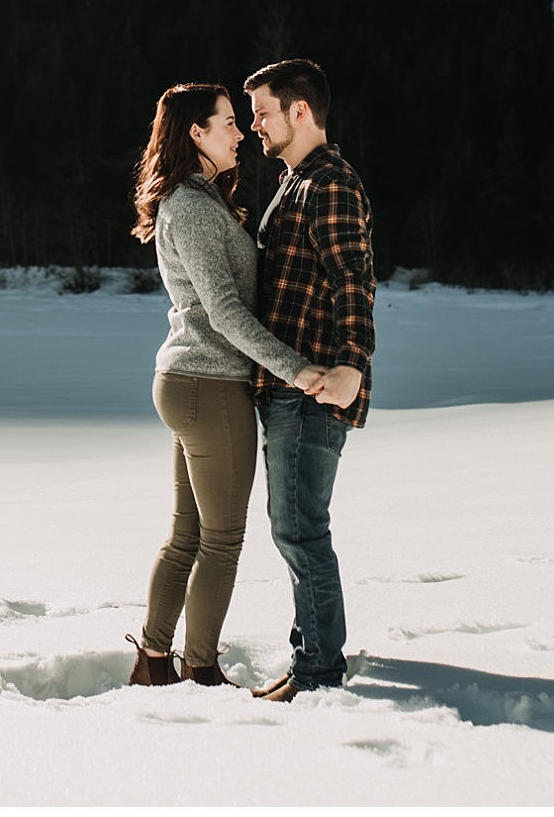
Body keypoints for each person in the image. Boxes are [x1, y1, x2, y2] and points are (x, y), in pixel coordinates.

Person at [124, 82, 321, 688]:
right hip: (209, 385)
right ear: (197, 133)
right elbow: (226, 313)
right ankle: (200, 669)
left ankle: (155, 663)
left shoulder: (195, 201)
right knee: (222, 540)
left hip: (189, 382)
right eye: (229, 122)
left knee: (188, 534)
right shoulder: (191, 207)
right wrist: (297, 368)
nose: (241, 133)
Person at [242, 58, 374, 703]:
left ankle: (320, 670)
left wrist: (352, 364)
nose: (254, 125)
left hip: (316, 385)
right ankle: (312, 651)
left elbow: (354, 276)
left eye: (263, 112)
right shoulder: (296, 181)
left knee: (299, 528)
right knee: (295, 524)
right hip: (291, 384)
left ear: (301, 111)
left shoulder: (329, 184)